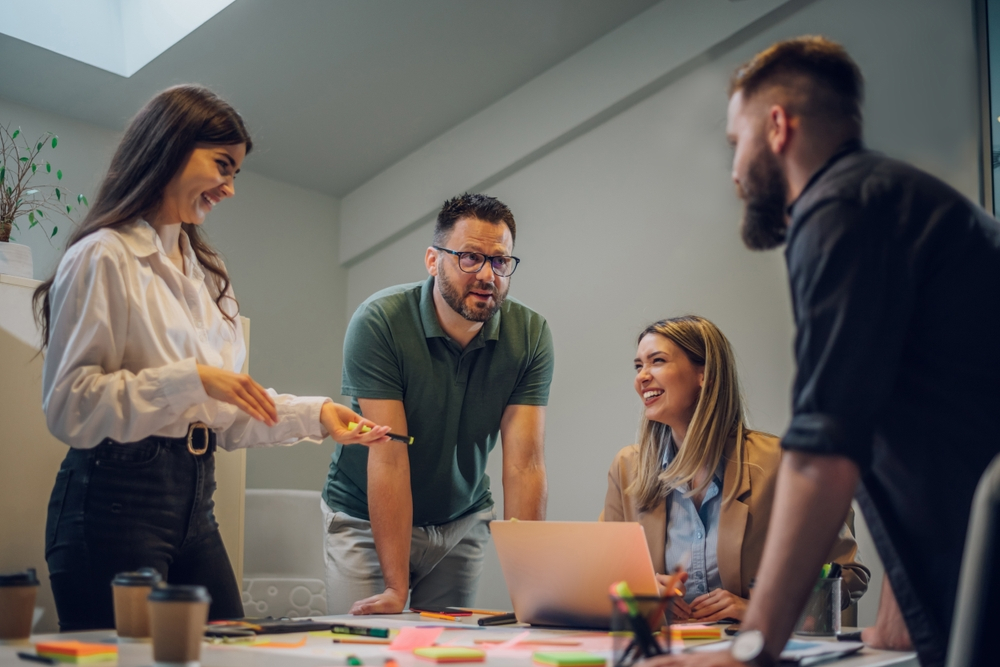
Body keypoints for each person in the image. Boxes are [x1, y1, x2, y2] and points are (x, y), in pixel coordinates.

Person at [645, 37, 1000, 667]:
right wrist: (899, 624)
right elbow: (915, 432)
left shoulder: (839, 206)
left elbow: (824, 452)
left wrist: (750, 648)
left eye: (736, 144)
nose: (733, 172)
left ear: (777, 126)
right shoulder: (890, 200)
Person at [33, 85, 390, 631]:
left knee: (234, 650)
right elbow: (70, 408)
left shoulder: (205, 273)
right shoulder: (102, 256)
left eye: (235, 173)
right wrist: (189, 380)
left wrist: (317, 414)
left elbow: (226, 413)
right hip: (111, 505)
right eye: (222, 166)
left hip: (196, 503)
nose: (228, 189)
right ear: (170, 147)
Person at [321, 193, 554, 614]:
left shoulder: (531, 334)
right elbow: (388, 456)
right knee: (365, 650)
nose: (487, 274)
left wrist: (531, 589)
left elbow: (525, 465)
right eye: (469, 257)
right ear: (433, 260)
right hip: (364, 520)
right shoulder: (380, 320)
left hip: (460, 522)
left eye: (500, 261)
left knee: (444, 654)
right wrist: (396, 589)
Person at [601, 316, 868, 622]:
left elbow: (848, 573)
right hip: (666, 652)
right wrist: (640, 592)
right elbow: (606, 576)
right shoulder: (627, 468)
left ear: (706, 374)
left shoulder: (782, 463)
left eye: (657, 361)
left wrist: (761, 607)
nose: (642, 377)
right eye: (638, 366)